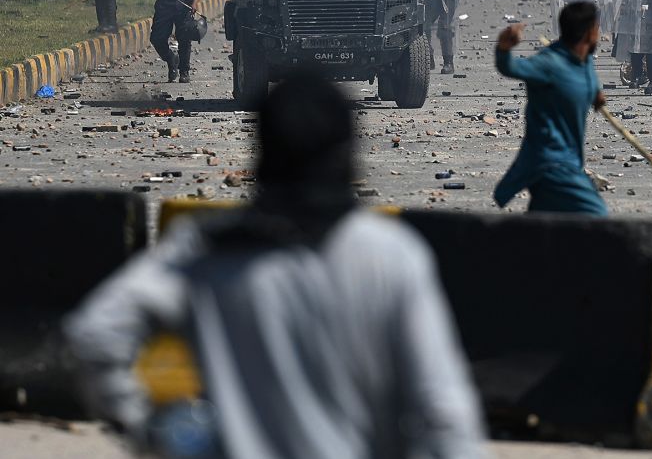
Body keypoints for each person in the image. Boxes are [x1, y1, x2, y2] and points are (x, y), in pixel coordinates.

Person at [65, 70, 487, 459]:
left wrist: (151, 431)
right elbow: (443, 411)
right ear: (346, 151)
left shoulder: (210, 248)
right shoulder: (390, 255)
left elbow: (95, 334)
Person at [494, 2, 608, 216]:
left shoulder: (584, 60)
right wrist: (504, 48)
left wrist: (595, 93)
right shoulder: (550, 63)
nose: (599, 33)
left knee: (544, 231)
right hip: (552, 163)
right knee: (596, 215)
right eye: (597, 27)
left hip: (570, 161)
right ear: (589, 32)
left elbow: (586, 78)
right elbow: (510, 67)